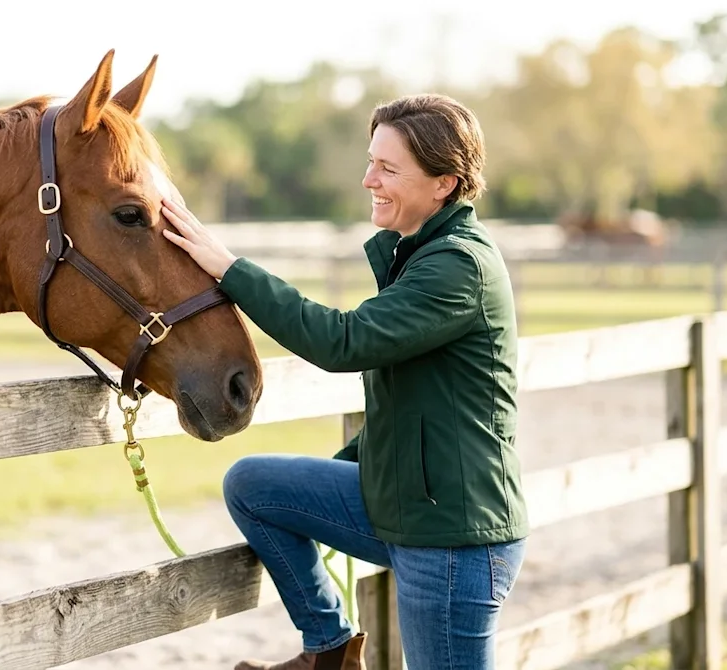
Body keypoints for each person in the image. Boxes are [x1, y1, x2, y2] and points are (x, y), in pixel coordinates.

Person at [160, 93, 528, 670]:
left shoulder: (458, 265)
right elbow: (412, 403)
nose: (368, 179)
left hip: (453, 538)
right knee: (255, 486)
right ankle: (330, 650)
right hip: (404, 505)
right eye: (370, 161)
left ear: (444, 183)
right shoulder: (421, 256)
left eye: (388, 167)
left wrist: (231, 271)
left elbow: (342, 342)